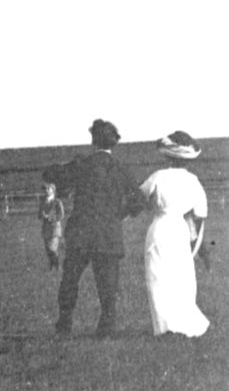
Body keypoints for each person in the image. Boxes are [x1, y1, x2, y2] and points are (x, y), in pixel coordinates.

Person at [43, 119, 145, 338]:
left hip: (81, 233)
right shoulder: (121, 169)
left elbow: (50, 174)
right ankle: (106, 329)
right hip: (109, 235)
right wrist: (120, 215)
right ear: (113, 143)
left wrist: (69, 166)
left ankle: (64, 324)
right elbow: (139, 201)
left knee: (70, 280)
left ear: (93, 141)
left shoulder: (82, 165)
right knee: (108, 286)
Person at [139, 131, 209, 337]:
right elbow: (199, 215)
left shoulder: (158, 177)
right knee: (181, 276)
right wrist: (195, 242)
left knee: (158, 276)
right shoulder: (194, 181)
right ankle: (182, 324)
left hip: (160, 228)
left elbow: (138, 198)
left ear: (168, 157)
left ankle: (166, 326)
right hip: (180, 230)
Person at [38, 183, 65, 270]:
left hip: (55, 228)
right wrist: (41, 215)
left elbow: (61, 215)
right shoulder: (42, 202)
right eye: (45, 189)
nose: (46, 191)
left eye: (48, 189)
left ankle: (57, 264)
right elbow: (38, 215)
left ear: (53, 190)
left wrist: (50, 218)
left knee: (52, 248)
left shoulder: (57, 202)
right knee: (48, 249)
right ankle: (52, 265)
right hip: (46, 228)